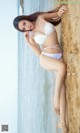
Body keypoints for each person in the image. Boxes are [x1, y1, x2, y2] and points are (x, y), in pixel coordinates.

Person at [13, 5, 67, 133]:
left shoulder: (40, 17)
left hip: (57, 54)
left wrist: (60, 12)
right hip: (45, 57)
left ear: (25, 18)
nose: (27, 27)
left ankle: (63, 122)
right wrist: (28, 42)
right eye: (24, 28)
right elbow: (38, 53)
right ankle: (54, 101)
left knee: (63, 88)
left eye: (25, 23)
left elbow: (56, 16)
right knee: (62, 67)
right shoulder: (31, 36)